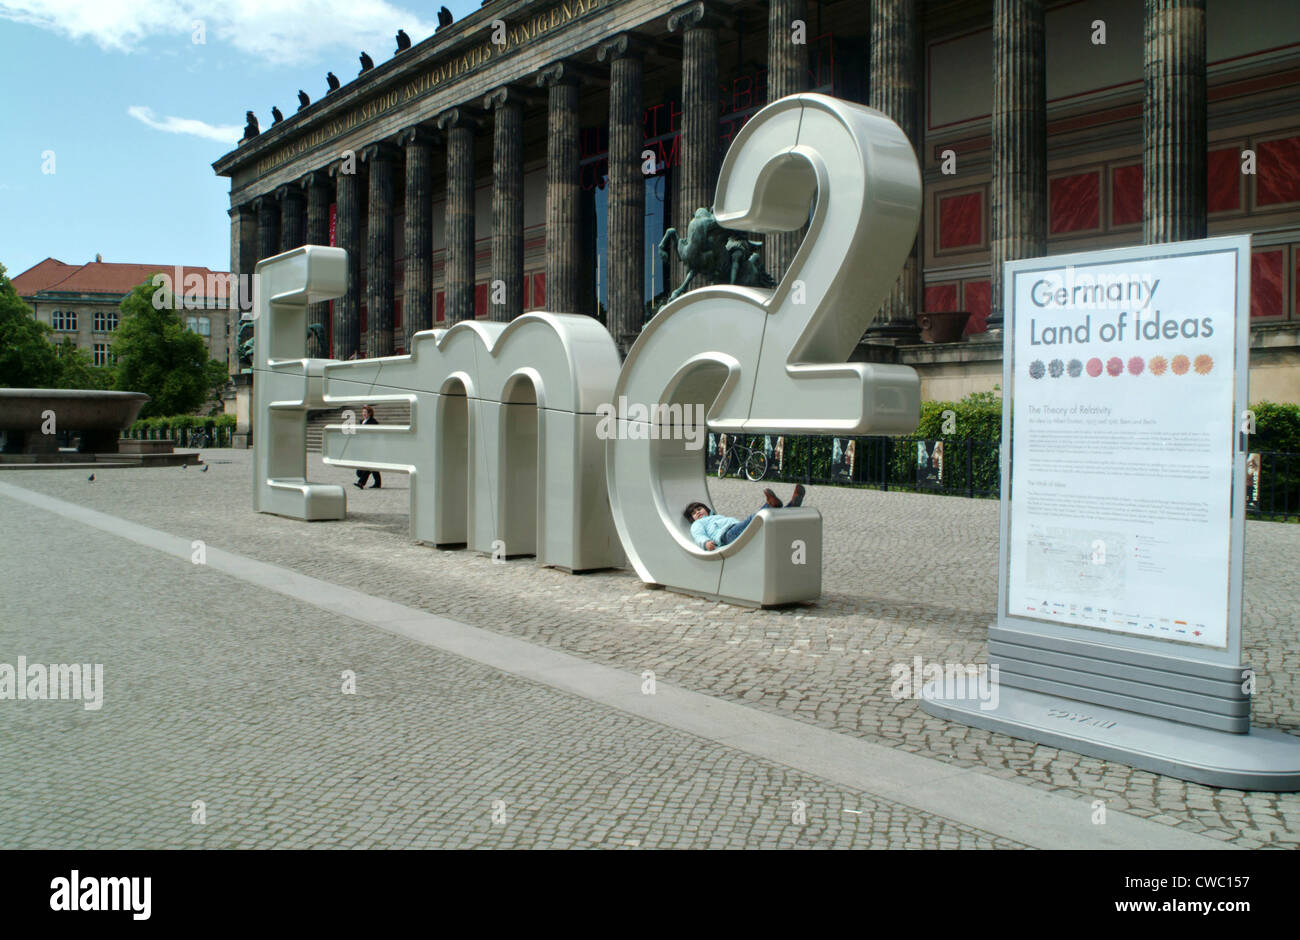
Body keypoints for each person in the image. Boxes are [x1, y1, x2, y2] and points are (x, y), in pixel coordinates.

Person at [684, 485, 806, 551]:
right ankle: (769, 505)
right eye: (694, 513)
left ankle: (791, 506)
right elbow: (698, 535)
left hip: (734, 530)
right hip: (727, 536)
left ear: (706, 509)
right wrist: (705, 543)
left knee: (768, 521)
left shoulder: (716, 517)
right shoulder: (697, 524)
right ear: (692, 519)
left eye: (699, 509)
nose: (698, 512)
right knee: (755, 519)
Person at [353, 405, 382, 489]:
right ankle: (378, 483)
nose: (363, 414)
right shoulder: (361, 421)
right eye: (363, 412)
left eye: (365, 412)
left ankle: (361, 483)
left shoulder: (374, 422)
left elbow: (376, 435)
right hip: (363, 447)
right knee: (361, 471)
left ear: (370, 413)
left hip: (371, 447)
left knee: (369, 465)